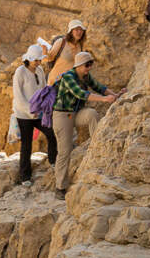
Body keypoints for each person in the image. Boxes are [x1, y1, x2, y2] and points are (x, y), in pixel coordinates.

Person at [50, 51, 117, 193]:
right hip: (62, 115)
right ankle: (60, 187)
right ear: (79, 66)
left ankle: (96, 145)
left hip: (75, 113)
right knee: (64, 151)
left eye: (91, 64)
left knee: (92, 114)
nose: (89, 67)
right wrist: (104, 100)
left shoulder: (85, 76)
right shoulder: (68, 77)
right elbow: (80, 94)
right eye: (87, 65)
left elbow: (100, 87)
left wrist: (114, 95)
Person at [10, 43, 56, 185]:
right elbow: (18, 96)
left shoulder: (40, 70)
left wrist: (45, 105)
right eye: (36, 60)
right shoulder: (20, 72)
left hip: (39, 113)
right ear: (29, 59)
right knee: (27, 144)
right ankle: (25, 176)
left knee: (51, 133)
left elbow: (43, 89)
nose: (38, 62)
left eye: (39, 60)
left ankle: (53, 162)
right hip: (24, 115)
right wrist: (31, 112)